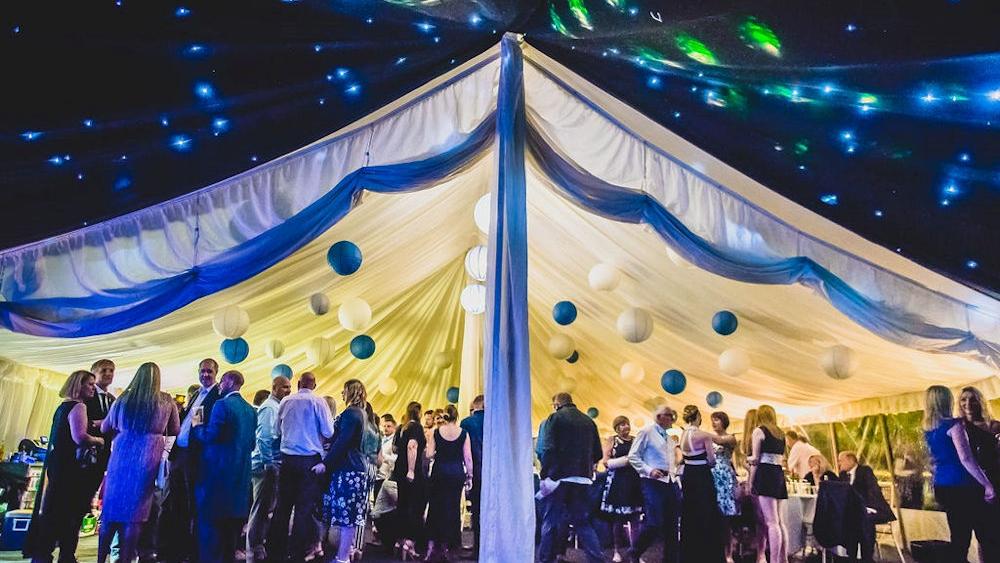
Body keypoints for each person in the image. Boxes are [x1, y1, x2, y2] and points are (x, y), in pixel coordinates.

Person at [97, 362, 180, 563]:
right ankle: (126, 558)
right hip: (148, 457)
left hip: (121, 454)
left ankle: (100, 559)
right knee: (135, 514)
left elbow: (105, 427)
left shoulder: (124, 398)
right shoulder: (166, 400)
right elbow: (175, 429)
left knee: (111, 511)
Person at [23, 370, 105, 563]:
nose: (94, 388)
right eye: (90, 384)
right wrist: (98, 440)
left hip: (58, 462)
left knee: (53, 508)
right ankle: (61, 554)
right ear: (79, 385)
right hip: (70, 466)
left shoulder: (62, 407)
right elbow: (80, 437)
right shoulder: (79, 407)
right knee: (68, 511)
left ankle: (44, 553)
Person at [923, 385, 998, 562]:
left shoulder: (929, 429)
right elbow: (965, 458)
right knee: (986, 535)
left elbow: (932, 460)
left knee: (959, 537)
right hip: (965, 485)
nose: (966, 403)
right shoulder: (955, 425)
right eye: (961, 399)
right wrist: (987, 485)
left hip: (943, 486)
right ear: (947, 400)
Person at [269, 371, 334, 562]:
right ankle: (296, 554)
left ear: (298, 383)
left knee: (282, 507)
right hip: (309, 461)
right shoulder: (319, 402)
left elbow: (276, 431)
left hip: (287, 460)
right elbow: (329, 432)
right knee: (303, 509)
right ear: (314, 385)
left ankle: (274, 552)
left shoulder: (286, 401)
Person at [160, 358, 221, 563]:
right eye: (202, 371)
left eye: (209, 372)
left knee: (189, 505)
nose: (205, 375)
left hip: (196, 457)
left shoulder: (216, 396)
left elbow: (203, 428)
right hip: (180, 454)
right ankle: (172, 548)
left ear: (216, 373)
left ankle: (188, 551)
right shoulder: (197, 394)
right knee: (174, 502)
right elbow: (191, 423)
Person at [192, 370, 256, 563]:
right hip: (241, 476)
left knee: (211, 529)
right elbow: (252, 444)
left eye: (222, 381)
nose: (219, 384)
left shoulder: (222, 405)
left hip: (217, 475)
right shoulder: (251, 410)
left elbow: (210, 436)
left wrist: (196, 426)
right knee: (231, 530)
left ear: (229, 382)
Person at [537, 393, 603, 563]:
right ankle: (597, 558)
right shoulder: (589, 421)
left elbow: (549, 448)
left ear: (556, 404)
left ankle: (545, 559)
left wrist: (546, 475)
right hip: (582, 479)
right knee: (582, 523)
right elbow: (598, 453)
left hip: (559, 479)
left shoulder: (555, 418)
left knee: (550, 521)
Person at [312, 380, 370, 563]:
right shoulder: (361, 413)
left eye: (344, 390)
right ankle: (343, 555)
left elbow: (343, 442)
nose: (342, 394)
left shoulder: (351, 413)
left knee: (347, 517)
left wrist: (326, 464)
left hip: (348, 470)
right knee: (348, 517)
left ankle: (343, 557)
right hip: (354, 469)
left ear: (350, 392)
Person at [627, 403, 681, 563]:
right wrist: (649, 470)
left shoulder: (671, 434)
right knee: (654, 522)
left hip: (670, 480)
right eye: (670, 415)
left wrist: (675, 473)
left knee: (672, 523)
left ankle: (671, 559)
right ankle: (634, 551)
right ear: (659, 417)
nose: (673, 418)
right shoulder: (646, 432)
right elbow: (633, 456)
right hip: (652, 481)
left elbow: (672, 458)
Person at [247, 375, 291, 562]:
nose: (288, 390)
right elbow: (264, 438)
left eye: (289, 387)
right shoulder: (269, 407)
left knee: (266, 506)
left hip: (270, 463)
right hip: (264, 465)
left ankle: (258, 544)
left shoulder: (277, 407)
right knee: (261, 507)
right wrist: (269, 463)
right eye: (284, 387)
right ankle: (253, 546)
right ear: (274, 387)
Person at [425, 404, 474, 561]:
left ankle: (432, 547)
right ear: (457, 416)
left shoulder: (436, 432)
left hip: (439, 472)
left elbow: (429, 454)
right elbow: (467, 457)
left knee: (435, 508)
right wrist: (470, 476)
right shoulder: (464, 433)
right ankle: (449, 547)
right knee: (452, 510)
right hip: (456, 473)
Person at [679, 405, 724, 563]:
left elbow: (684, 458)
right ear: (698, 416)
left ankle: (690, 551)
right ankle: (707, 551)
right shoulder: (704, 435)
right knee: (706, 511)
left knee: (690, 511)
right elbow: (712, 461)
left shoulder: (682, 435)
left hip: (688, 476)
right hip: (702, 476)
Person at [837, 451, 895, 562]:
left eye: (841, 460)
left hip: (869, 508)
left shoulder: (865, 471)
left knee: (864, 520)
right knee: (848, 520)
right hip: (852, 512)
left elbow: (873, 492)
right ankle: (850, 554)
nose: (839, 464)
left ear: (851, 460)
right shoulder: (842, 475)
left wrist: (864, 507)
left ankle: (866, 555)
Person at [599, 415, 642, 563]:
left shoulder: (636, 440)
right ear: (616, 428)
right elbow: (605, 461)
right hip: (618, 482)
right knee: (618, 520)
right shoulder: (612, 440)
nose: (625, 427)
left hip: (634, 482)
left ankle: (636, 553)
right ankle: (617, 551)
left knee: (635, 520)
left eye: (627, 424)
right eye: (622, 424)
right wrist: (623, 461)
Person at [749, 404, 789, 563]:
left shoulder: (759, 431)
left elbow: (755, 459)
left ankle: (773, 560)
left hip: (765, 474)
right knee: (780, 521)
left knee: (771, 522)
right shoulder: (781, 433)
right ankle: (783, 558)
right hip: (778, 473)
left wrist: (751, 481)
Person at [392, 401, 428, 560]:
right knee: (413, 506)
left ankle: (399, 541)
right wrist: (412, 470)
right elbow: (412, 447)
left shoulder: (401, 428)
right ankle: (409, 542)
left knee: (402, 503)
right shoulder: (415, 427)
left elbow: (395, 448)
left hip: (399, 468)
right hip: (410, 470)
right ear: (418, 412)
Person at [84, 359, 116, 505]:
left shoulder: (112, 399)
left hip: (103, 456)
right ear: (94, 373)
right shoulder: (85, 395)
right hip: (85, 455)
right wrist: (97, 424)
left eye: (111, 370)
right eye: (104, 370)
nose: (108, 374)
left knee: (88, 498)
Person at [709, 411, 739, 563]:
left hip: (725, 476)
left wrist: (697, 433)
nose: (714, 423)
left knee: (725, 519)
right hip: (711, 476)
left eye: (717, 420)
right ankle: (713, 551)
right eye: (712, 420)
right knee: (712, 517)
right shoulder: (709, 438)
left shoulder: (730, 437)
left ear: (724, 421)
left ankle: (728, 554)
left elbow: (720, 440)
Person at [459, 394, 485, 554]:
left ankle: (477, 548)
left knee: (477, 509)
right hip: (493, 473)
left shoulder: (467, 423)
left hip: (475, 470)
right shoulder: (495, 421)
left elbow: (464, 452)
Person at [375, 414, 398, 502]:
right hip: (378, 475)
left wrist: (383, 456)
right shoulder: (382, 438)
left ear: (394, 427)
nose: (386, 428)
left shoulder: (394, 441)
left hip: (386, 477)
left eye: (389, 426)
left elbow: (395, 459)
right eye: (384, 426)